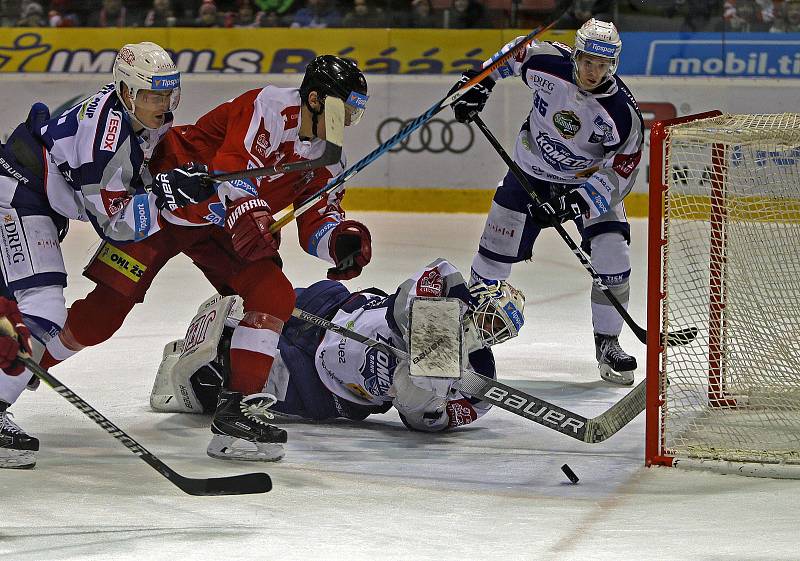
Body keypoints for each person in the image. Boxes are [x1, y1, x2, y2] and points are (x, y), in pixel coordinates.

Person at [14, 55, 372, 466]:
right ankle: (18, 369)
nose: (345, 124)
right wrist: (250, 214)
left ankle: (236, 414)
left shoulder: (331, 157)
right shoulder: (270, 106)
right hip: (169, 197)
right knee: (103, 315)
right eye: (342, 111)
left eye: (354, 115)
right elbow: (231, 167)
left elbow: (316, 221)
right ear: (314, 99)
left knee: (273, 295)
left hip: (224, 225)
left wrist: (339, 241)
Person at [0, 42, 208, 468]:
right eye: (152, 95)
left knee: (23, 310)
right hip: (18, 198)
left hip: (34, 199)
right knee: (41, 309)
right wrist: (167, 197)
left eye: (168, 94)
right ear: (127, 92)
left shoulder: (135, 115)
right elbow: (117, 227)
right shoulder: (104, 142)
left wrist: (172, 182)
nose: (163, 105)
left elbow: (140, 176)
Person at [449, 19, 644, 386]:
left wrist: (576, 203)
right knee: (491, 259)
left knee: (613, 254)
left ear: (613, 65)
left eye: (602, 65)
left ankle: (608, 343)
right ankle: (467, 339)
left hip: (585, 184)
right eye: (588, 61)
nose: (593, 71)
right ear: (577, 53)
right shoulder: (546, 61)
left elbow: (622, 170)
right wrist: (480, 82)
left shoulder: (622, 113)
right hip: (528, 173)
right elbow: (512, 54)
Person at [150, 259, 525, 434]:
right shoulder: (448, 290)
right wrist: (434, 333)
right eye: (490, 316)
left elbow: (422, 420)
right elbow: (411, 295)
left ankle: (191, 370)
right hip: (328, 309)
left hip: (322, 388)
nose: (489, 331)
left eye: (499, 332)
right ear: (477, 299)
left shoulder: (481, 391)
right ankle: (206, 338)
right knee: (242, 311)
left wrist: (428, 386)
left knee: (219, 383)